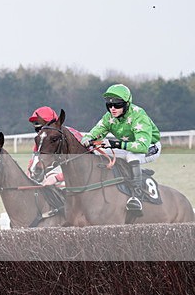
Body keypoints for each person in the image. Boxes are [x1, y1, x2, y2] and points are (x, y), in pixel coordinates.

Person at [80, 84, 161, 212]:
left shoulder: (139, 115)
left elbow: (142, 146)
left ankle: (137, 196)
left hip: (150, 146)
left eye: (117, 105)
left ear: (127, 104)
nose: (113, 108)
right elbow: (93, 133)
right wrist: (86, 140)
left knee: (131, 156)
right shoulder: (109, 117)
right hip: (128, 146)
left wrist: (115, 144)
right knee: (97, 152)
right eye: (109, 105)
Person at [27, 106, 83, 187]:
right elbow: (33, 161)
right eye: (35, 125)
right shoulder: (42, 140)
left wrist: (57, 178)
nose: (39, 130)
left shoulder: (71, 136)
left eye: (41, 125)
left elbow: (82, 165)